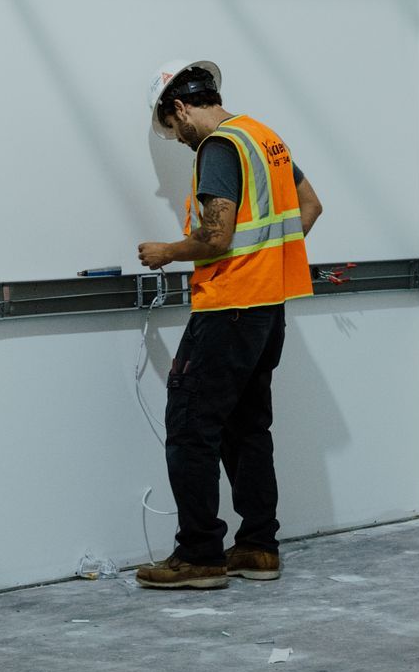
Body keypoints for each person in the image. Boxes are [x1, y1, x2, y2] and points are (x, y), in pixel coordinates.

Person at [134, 59, 322, 590]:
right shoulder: (266, 138)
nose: (178, 140)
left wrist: (166, 251)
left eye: (173, 131)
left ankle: (200, 555)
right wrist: (267, 260)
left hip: (227, 308)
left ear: (179, 107)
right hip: (268, 309)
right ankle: (259, 548)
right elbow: (310, 206)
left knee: (191, 427)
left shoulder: (220, 146)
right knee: (247, 430)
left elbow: (215, 237)